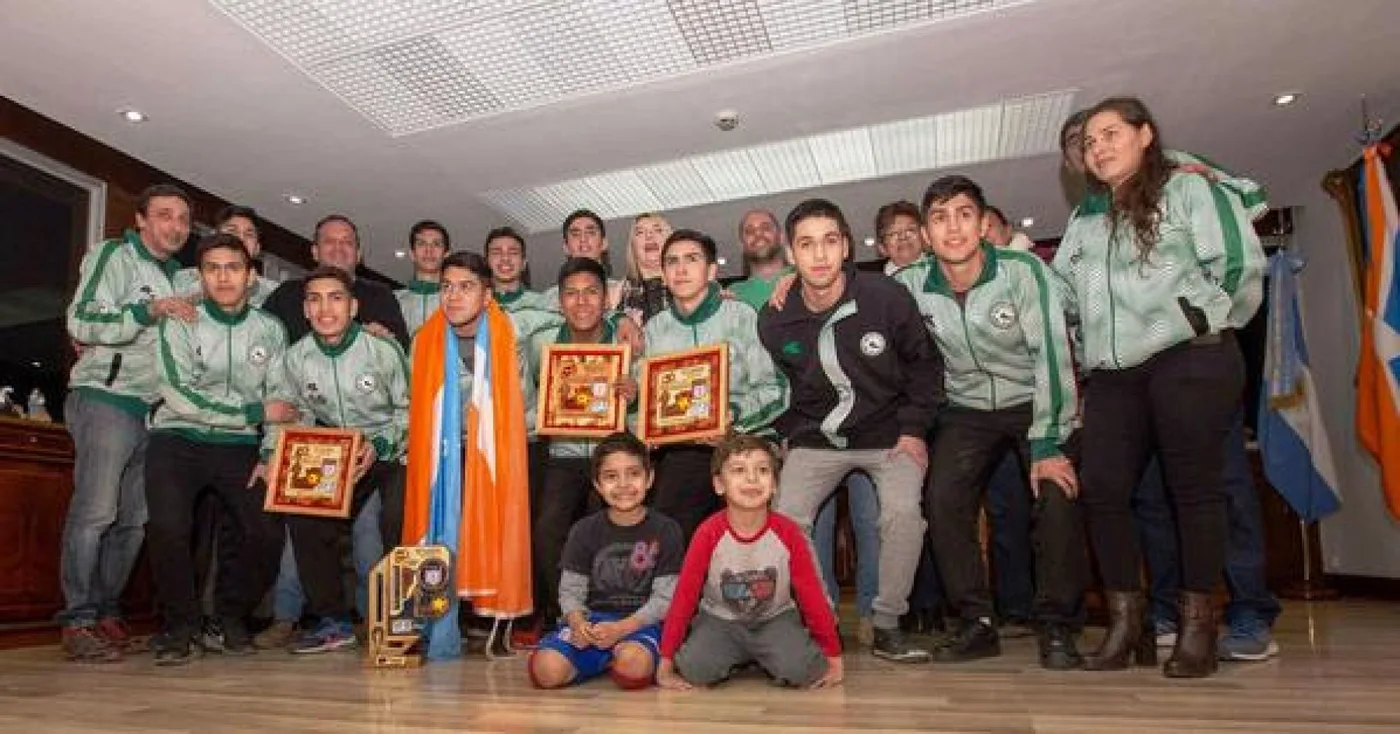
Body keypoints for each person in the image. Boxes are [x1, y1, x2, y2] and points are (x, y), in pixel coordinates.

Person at [1052, 96, 1266, 678]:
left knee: (1193, 490)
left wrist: (1204, 320)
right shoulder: (1085, 218)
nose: (1098, 147)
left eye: (1111, 133)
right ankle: (1128, 625)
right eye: (1089, 141)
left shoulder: (1188, 189)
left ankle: (1199, 629)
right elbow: (1064, 293)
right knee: (1103, 491)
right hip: (1115, 373)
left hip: (1189, 358)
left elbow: (1238, 264)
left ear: (1146, 135)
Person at [895, 175, 1085, 669]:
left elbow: (1053, 355)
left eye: (963, 215)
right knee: (942, 498)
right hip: (966, 407)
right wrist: (793, 280)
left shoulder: (1023, 272)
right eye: (939, 218)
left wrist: (1047, 443)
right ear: (925, 232)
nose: (952, 228)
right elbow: (852, 297)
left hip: (1033, 398)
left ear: (982, 224)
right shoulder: (910, 284)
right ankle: (977, 622)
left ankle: (1058, 624)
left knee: (1057, 492)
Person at [759, 198, 943, 663]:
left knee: (902, 515)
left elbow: (925, 365)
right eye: (806, 245)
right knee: (786, 519)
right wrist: (788, 435)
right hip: (816, 437)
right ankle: (819, 621)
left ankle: (886, 623)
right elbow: (788, 382)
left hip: (889, 433)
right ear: (790, 254)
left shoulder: (886, 297)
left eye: (829, 241)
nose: (818, 255)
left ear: (845, 246)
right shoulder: (775, 318)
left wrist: (916, 429)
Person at [256, 213, 409, 649]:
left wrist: (378, 445)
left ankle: (399, 623)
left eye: (336, 299)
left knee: (397, 518)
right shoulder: (296, 358)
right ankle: (333, 622)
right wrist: (272, 458)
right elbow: (288, 415)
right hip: (333, 451)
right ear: (306, 309)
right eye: (316, 301)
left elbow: (411, 410)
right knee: (304, 520)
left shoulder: (382, 350)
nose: (326, 309)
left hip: (388, 449)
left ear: (353, 305)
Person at [60, 183, 196, 662]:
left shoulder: (182, 277)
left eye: (182, 219)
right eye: (164, 215)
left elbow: (240, 289)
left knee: (134, 522)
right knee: (96, 512)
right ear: (141, 219)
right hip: (106, 399)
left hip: (154, 414)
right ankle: (77, 619)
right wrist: (145, 310)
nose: (175, 226)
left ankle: (104, 611)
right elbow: (82, 320)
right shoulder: (113, 256)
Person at [143, 234, 292, 665]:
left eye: (233, 268)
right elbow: (179, 396)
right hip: (178, 438)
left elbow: (282, 403)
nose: (223, 276)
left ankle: (228, 617)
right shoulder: (179, 321)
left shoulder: (271, 329)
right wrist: (252, 409)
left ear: (250, 276)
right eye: (213, 268)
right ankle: (181, 626)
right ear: (201, 275)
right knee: (168, 529)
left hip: (241, 446)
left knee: (265, 533)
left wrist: (268, 455)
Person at [656, 434, 843, 690]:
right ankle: (743, 655)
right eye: (739, 470)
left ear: (775, 484)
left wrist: (833, 656)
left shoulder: (789, 533)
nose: (752, 478)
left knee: (805, 670)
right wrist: (666, 661)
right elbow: (685, 596)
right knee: (694, 669)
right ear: (719, 484)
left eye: (763, 470)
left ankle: (766, 653)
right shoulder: (707, 533)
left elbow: (811, 595)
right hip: (719, 620)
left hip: (775, 619)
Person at [643, 229, 787, 542]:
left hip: (745, 439)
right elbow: (643, 403)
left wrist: (732, 417)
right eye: (672, 262)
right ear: (663, 275)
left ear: (711, 271)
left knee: (748, 533)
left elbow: (775, 390)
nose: (681, 270)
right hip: (681, 449)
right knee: (670, 535)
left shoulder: (741, 315)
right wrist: (645, 425)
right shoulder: (654, 330)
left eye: (691, 260)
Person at [528, 432, 684, 690]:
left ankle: (616, 656)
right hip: (594, 623)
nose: (623, 484)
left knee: (633, 666)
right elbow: (569, 590)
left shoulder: (667, 530)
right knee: (546, 671)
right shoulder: (583, 530)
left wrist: (623, 628)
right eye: (611, 477)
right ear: (598, 485)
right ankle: (601, 657)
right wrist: (578, 623)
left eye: (633, 474)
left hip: (641, 622)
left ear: (650, 479)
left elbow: (666, 600)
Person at [530, 257, 637, 628]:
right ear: (559, 301)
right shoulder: (540, 345)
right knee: (547, 530)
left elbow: (655, 407)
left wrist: (633, 397)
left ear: (606, 298)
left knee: (604, 529)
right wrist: (547, 408)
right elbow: (523, 402)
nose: (581, 302)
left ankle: (610, 613)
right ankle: (564, 615)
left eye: (591, 292)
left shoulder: (629, 341)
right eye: (571, 294)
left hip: (614, 456)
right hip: (563, 453)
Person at [171, 205, 280, 307]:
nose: (240, 239)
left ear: (257, 248)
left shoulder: (275, 291)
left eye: (249, 234)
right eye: (232, 231)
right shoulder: (182, 279)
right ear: (214, 237)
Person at [726, 209, 789, 313]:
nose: (758, 234)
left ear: (781, 237)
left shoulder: (805, 278)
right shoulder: (733, 295)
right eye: (749, 232)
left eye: (766, 228)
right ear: (742, 245)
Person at [617, 213, 673, 325]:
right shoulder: (618, 294)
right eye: (640, 232)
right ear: (633, 246)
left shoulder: (689, 287)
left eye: (657, 230)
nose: (649, 236)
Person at [395, 220, 448, 335]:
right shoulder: (392, 301)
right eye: (421, 244)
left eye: (437, 244)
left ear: (446, 255)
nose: (429, 250)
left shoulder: (458, 300)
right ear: (412, 254)